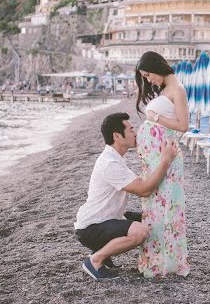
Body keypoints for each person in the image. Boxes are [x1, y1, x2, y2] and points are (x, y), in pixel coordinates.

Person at [75, 112, 178, 281]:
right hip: (91, 227)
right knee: (140, 232)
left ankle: (102, 251)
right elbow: (144, 190)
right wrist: (165, 160)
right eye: (130, 129)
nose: (135, 133)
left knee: (150, 219)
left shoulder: (115, 158)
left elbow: (142, 184)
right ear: (117, 135)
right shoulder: (110, 164)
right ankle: (94, 261)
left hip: (105, 219)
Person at [135, 51, 190, 279]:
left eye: (148, 75)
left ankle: (168, 263)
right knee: (153, 207)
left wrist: (155, 118)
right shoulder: (167, 90)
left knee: (166, 208)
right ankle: (156, 259)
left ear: (158, 67)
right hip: (155, 157)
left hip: (166, 156)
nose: (148, 80)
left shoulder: (178, 89)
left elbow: (184, 126)